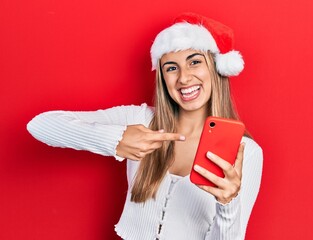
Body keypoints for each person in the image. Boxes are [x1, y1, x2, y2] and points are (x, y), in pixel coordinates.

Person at [27, 12, 263, 240]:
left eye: (194, 62)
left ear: (216, 68)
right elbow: (40, 125)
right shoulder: (140, 120)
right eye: (171, 67)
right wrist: (116, 140)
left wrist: (228, 204)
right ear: (163, 77)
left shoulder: (246, 152)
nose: (183, 78)